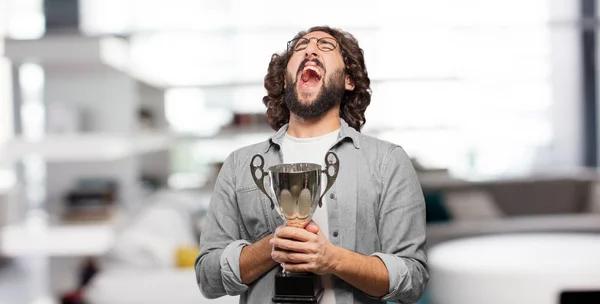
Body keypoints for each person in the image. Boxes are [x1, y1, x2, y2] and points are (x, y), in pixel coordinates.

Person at [195, 25, 428, 304]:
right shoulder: (239, 165)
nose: (311, 49)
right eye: (300, 47)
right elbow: (208, 279)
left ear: (349, 80)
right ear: (284, 80)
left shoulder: (387, 161)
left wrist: (333, 259)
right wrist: (274, 246)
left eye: (326, 46)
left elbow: (413, 280)